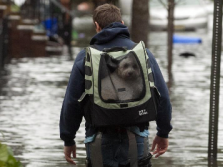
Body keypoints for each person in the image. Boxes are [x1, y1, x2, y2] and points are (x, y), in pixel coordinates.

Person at [60, 4, 172, 167]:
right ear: (122, 22)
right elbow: (162, 97)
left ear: (97, 26)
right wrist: (163, 132)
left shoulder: (86, 57)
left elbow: (71, 103)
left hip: (98, 138)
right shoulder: (144, 54)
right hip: (137, 135)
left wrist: (68, 139)